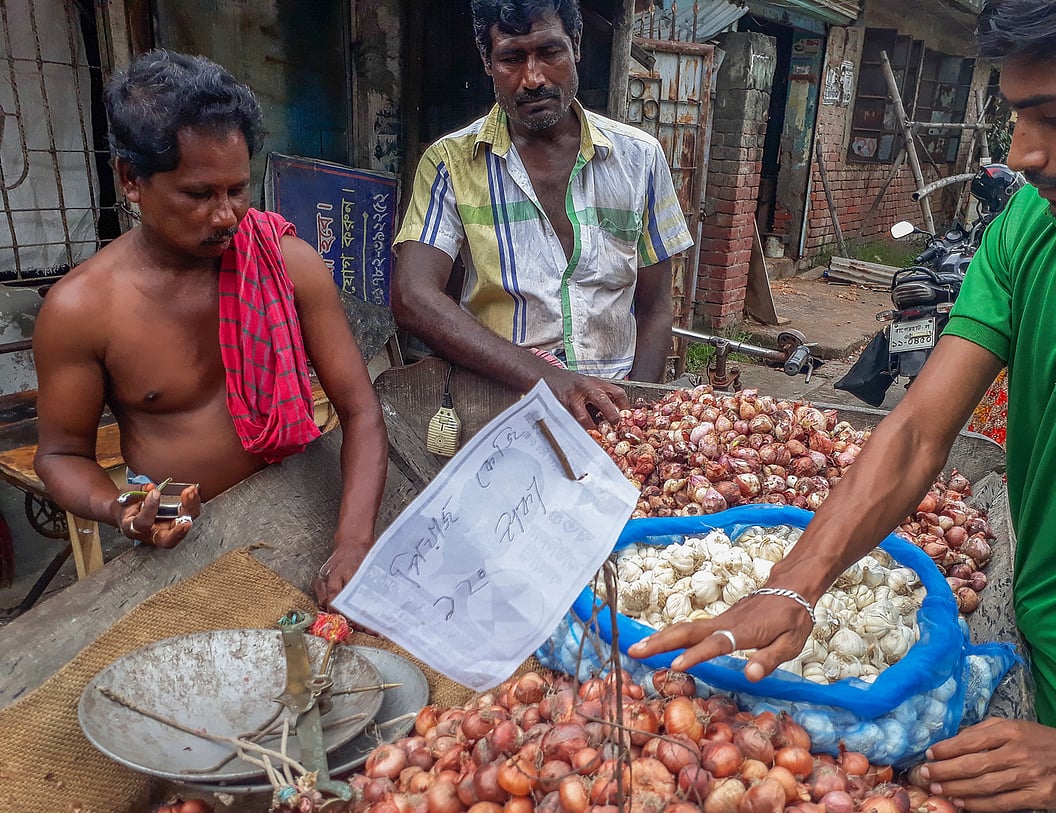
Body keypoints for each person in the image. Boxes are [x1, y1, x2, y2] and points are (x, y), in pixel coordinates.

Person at [632, 2, 1056, 810]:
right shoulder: (1039, 224)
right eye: (1015, 116)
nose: (1022, 155)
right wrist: (794, 585)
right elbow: (918, 429)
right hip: (1018, 649)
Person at [32, 50, 388, 607]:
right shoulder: (81, 310)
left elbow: (361, 410)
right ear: (131, 180)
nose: (225, 215)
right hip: (183, 548)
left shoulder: (288, 265)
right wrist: (121, 510)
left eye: (237, 190)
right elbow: (59, 456)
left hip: (310, 516)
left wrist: (352, 541)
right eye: (199, 194)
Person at [390, 0, 693, 428]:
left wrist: (634, 420)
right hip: (496, 407)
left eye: (549, 53)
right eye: (511, 58)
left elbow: (656, 308)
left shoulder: (639, 158)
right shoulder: (450, 163)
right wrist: (549, 378)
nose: (532, 78)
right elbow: (413, 298)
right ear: (487, 63)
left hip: (614, 409)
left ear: (576, 47)